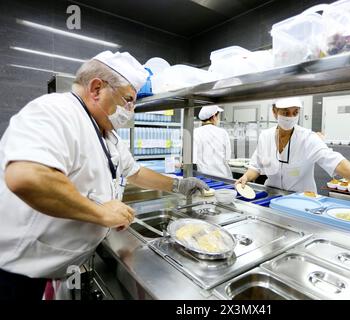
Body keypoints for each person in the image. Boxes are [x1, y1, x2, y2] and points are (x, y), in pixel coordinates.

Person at [0, 51, 208, 300]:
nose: (130, 110)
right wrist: (101, 212)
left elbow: (135, 172)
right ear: (97, 88)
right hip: (17, 274)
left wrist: (178, 184)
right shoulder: (56, 111)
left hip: (51, 268)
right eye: (128, 100)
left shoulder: (107, 133)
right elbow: (28, 176)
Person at [236, 97, 350, 206]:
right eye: (285, 113)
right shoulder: (265, 136)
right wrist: (245, 177)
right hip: (271, 198)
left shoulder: (307, 138)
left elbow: (335, 161)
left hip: (302, 201)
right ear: (274, 112)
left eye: (295, 113)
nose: (290, 117)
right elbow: (255, 167)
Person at [193, 105, 233, 179]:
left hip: (204, 178)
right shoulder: (223, 133)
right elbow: (228, 158)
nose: (218, 119)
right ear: (214, 117)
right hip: (223, 177)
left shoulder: (195, 132)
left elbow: (193, 159)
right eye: (218, 117)